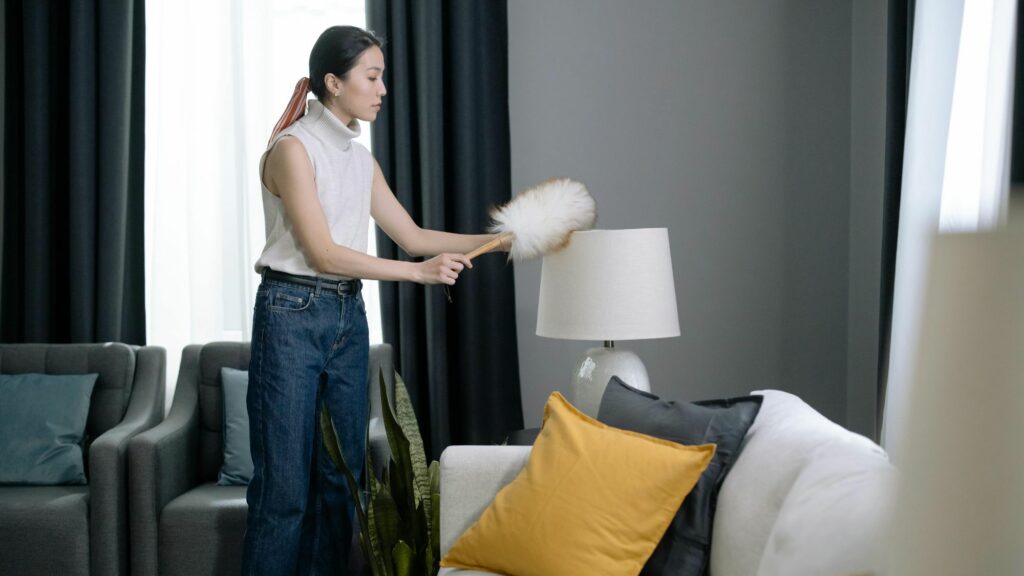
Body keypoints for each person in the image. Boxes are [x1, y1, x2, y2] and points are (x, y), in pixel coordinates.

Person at [243, 25, 506, 575]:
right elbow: (323, 254)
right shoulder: (293, 150)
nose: (384, 88)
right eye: (373, 76)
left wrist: (503, 238)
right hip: (291, 314)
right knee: (285, 492)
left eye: (382, 76)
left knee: (342, 484)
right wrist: (418, 276)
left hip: (346, 316)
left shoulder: (360, 161)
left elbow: (412, 236)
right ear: (334, 83)